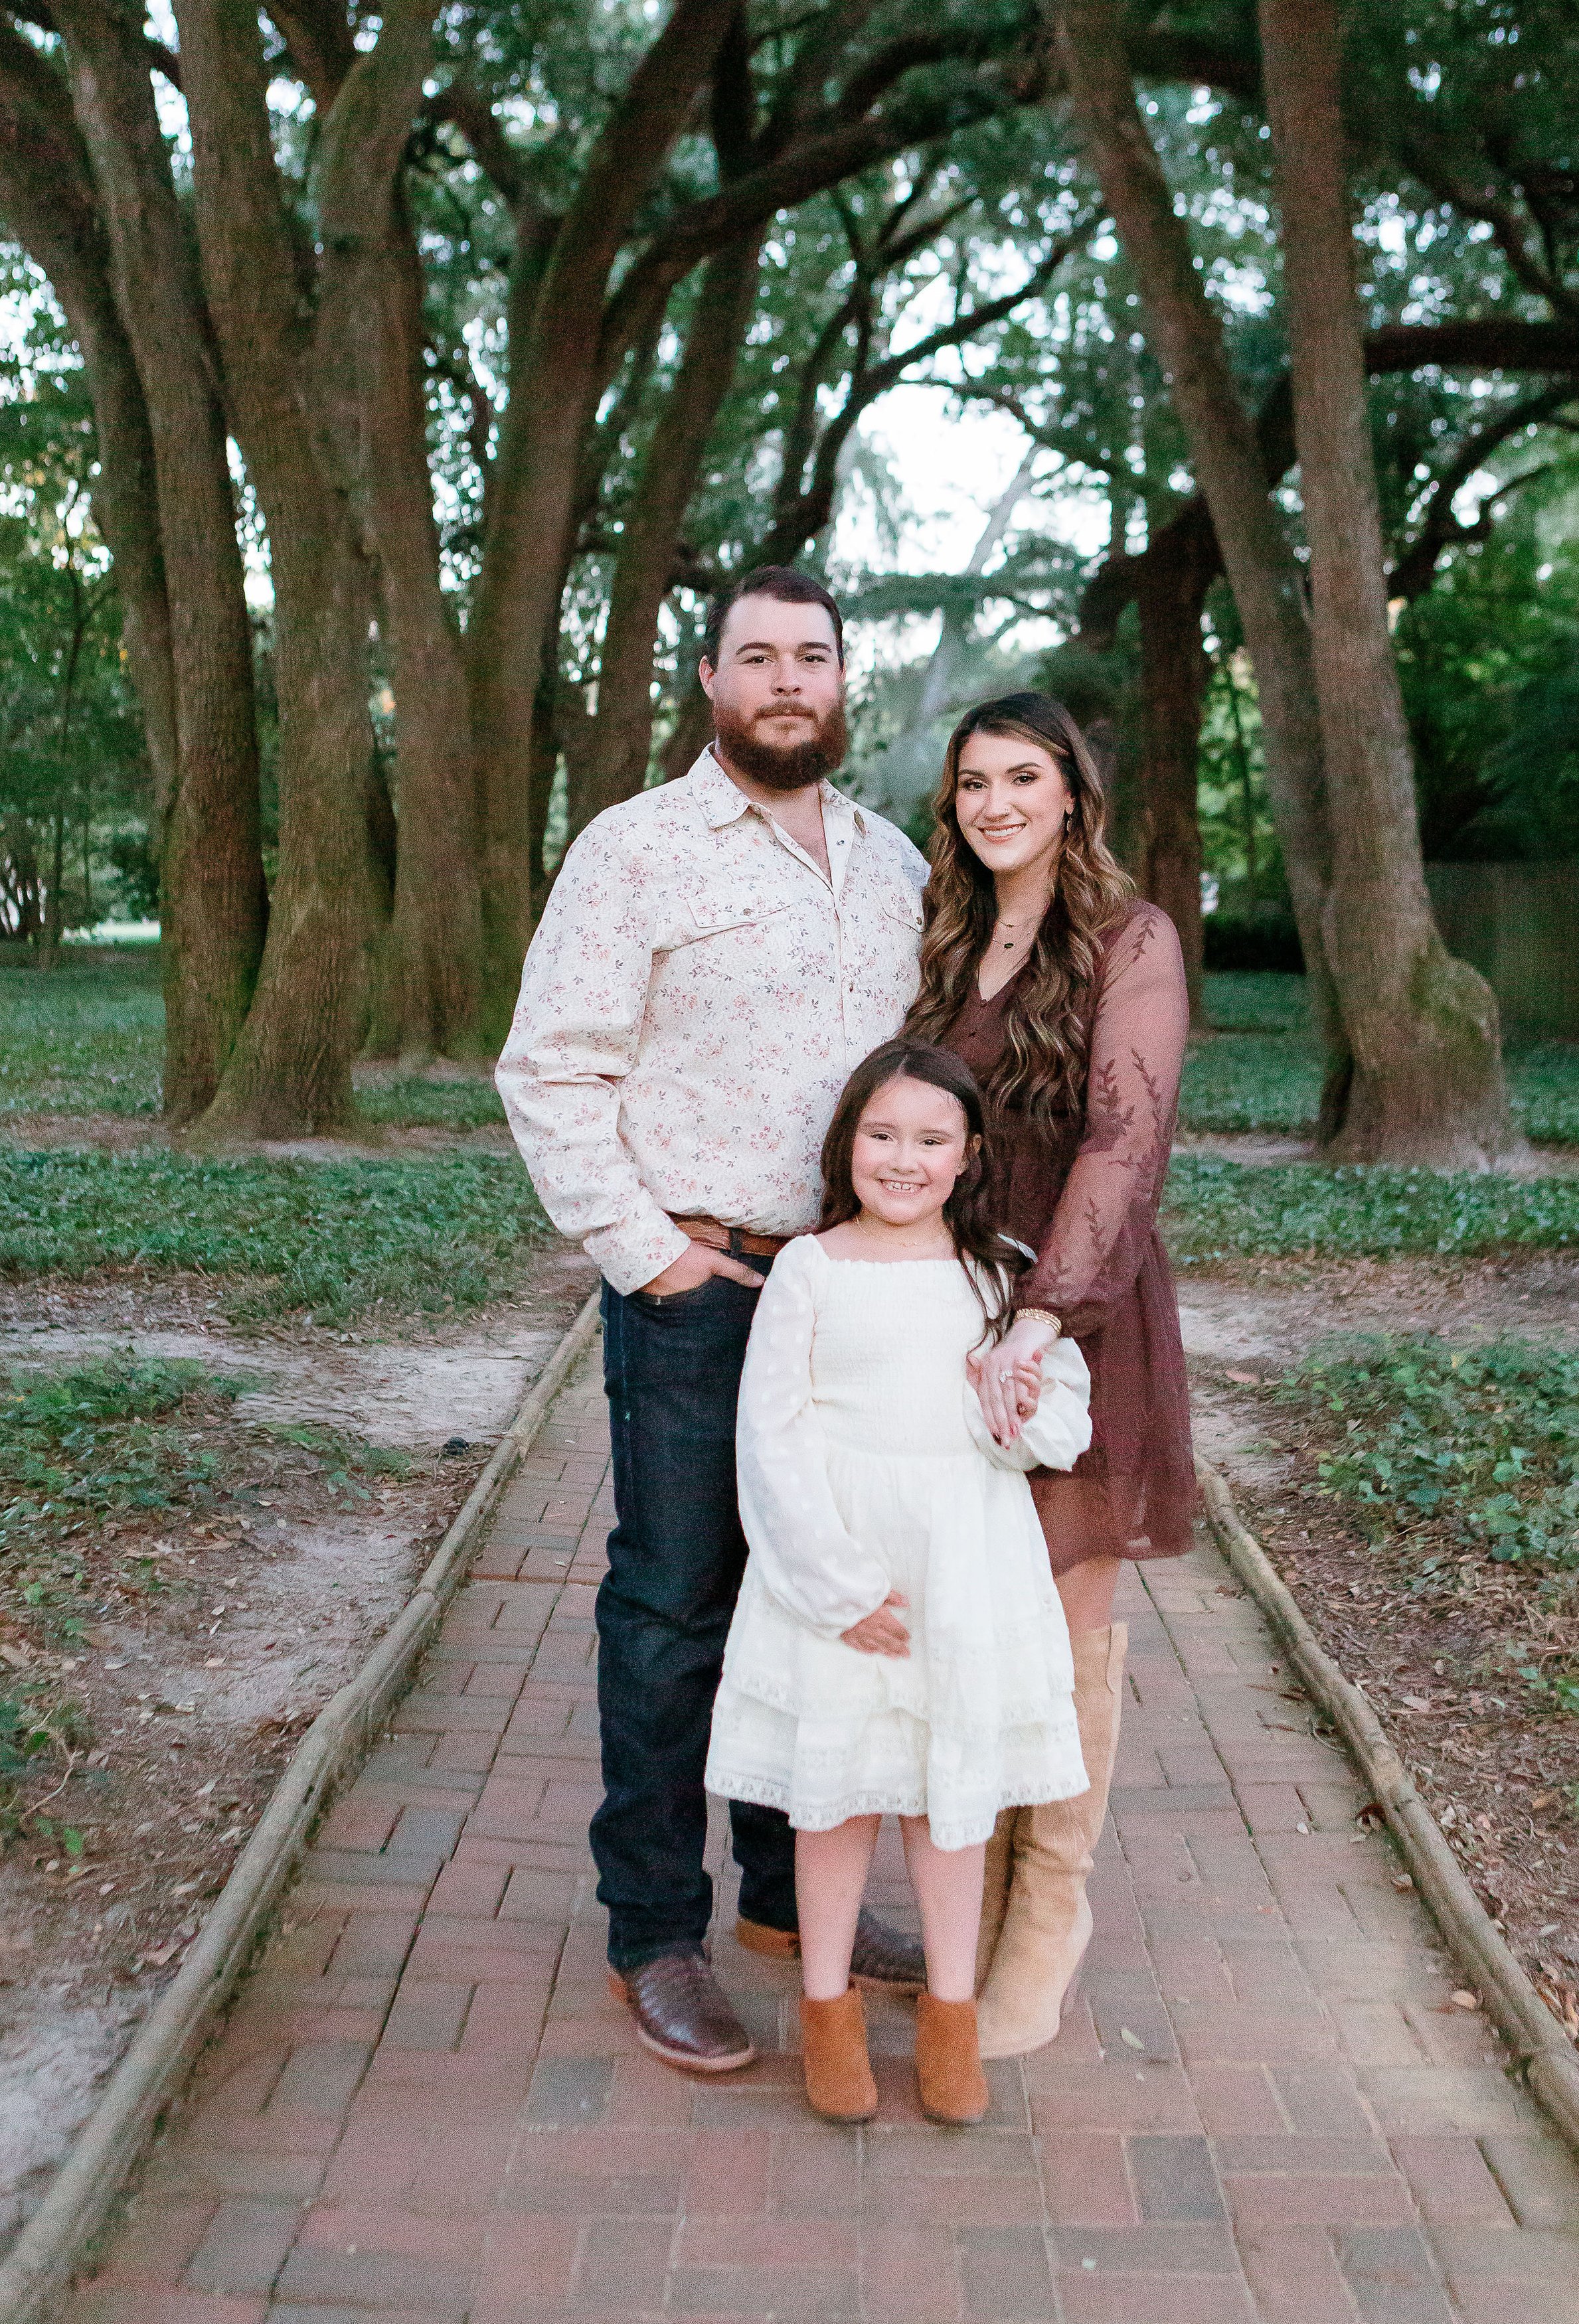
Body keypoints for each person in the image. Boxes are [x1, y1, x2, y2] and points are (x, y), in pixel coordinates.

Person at [496, 567, 930, 2075]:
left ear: (839, 680)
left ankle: (781, 1899)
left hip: (854, 1305)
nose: (788, 680)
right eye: (759, 656)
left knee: (816, 1601)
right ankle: (653, 1929)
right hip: (703, 1292)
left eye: (811, 656)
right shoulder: (636, 851)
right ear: (712, 680)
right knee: (675, 1607)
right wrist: (646, 1256)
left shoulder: (891, 864)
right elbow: (547, 1066)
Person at [705, 1041, 1092, 2126]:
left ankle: (950, 2014)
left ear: (970, 1157)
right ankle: (826, 2007)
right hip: (846, 1565)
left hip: (961, 1564)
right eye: (883, 1135)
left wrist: (1004, 1400)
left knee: (947, 1790)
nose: (905, 1159)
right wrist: (836, 1587)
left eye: (932, 1140)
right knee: (837, 1797)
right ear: (848, 1144)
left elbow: (1058, 1416)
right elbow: (768, 1436)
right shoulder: (811, 1268)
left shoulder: (994, 1276)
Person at [905, 690, 1196, 2058]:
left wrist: (1040, 1315)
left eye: (1022, 776)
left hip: (1071, 1307)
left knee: (1067, 1598)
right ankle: (994, 1874)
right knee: (977, 1595)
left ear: (1070, 792)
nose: (995, 801)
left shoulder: (1129, 938)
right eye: (972, 780)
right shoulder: (946, 930)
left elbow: (1122, 1136)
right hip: (943, 1303)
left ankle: (1049, 1907)